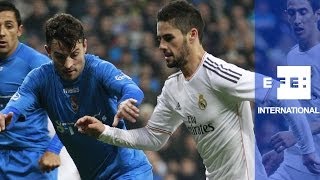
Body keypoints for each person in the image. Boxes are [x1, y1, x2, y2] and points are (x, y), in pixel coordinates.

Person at [74, 1, 320, 180]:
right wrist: (104, 132)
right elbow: (153, 138)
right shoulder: (173, 87)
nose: (161, 46)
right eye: (159, 39)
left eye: (169, 38)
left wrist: (307, 150)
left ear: (192, 35)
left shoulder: (219, 73)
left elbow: (277, 90)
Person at [0, 12, 152, 180]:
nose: (68, 64)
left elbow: (131, 89)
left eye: (74, 54)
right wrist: (6, 116)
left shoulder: (99, 70)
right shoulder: (39, 79)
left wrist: (125, 102)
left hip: (128, 171)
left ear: (85, 46)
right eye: (59, 56)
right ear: (48, 51)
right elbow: (17, 105)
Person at [0, 1, 70, 179]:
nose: (2, 33)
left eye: (8, 26)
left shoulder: (37, 65)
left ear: (19, 30)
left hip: (31, 160)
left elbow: (69, 111)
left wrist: (54, 150)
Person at [262, 0, 320, 179]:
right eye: (292, 13)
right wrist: (282, 152)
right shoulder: (292, 56)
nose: (297, 19)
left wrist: (295, 135)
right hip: (292, 163)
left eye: (303, 12)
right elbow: (299, 108)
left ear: (317, 14)